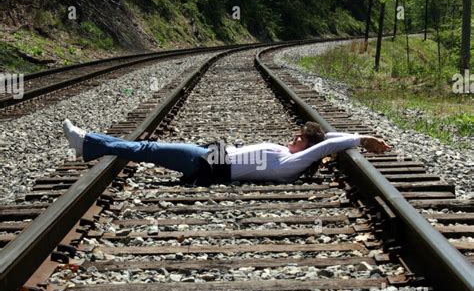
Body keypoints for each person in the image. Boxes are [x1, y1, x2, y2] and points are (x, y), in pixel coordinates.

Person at [63, 119, 391, 186]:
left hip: (208, 163)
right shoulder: (292, 154)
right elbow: (326, 138)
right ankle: (91, 141)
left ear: (308, 146)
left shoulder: (293, 163)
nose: (294, 136)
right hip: (212, 156)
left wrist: (362, 138)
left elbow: (329, 143)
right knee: (147, 149)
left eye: (300, 137)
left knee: (147, 149)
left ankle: (87, 144)